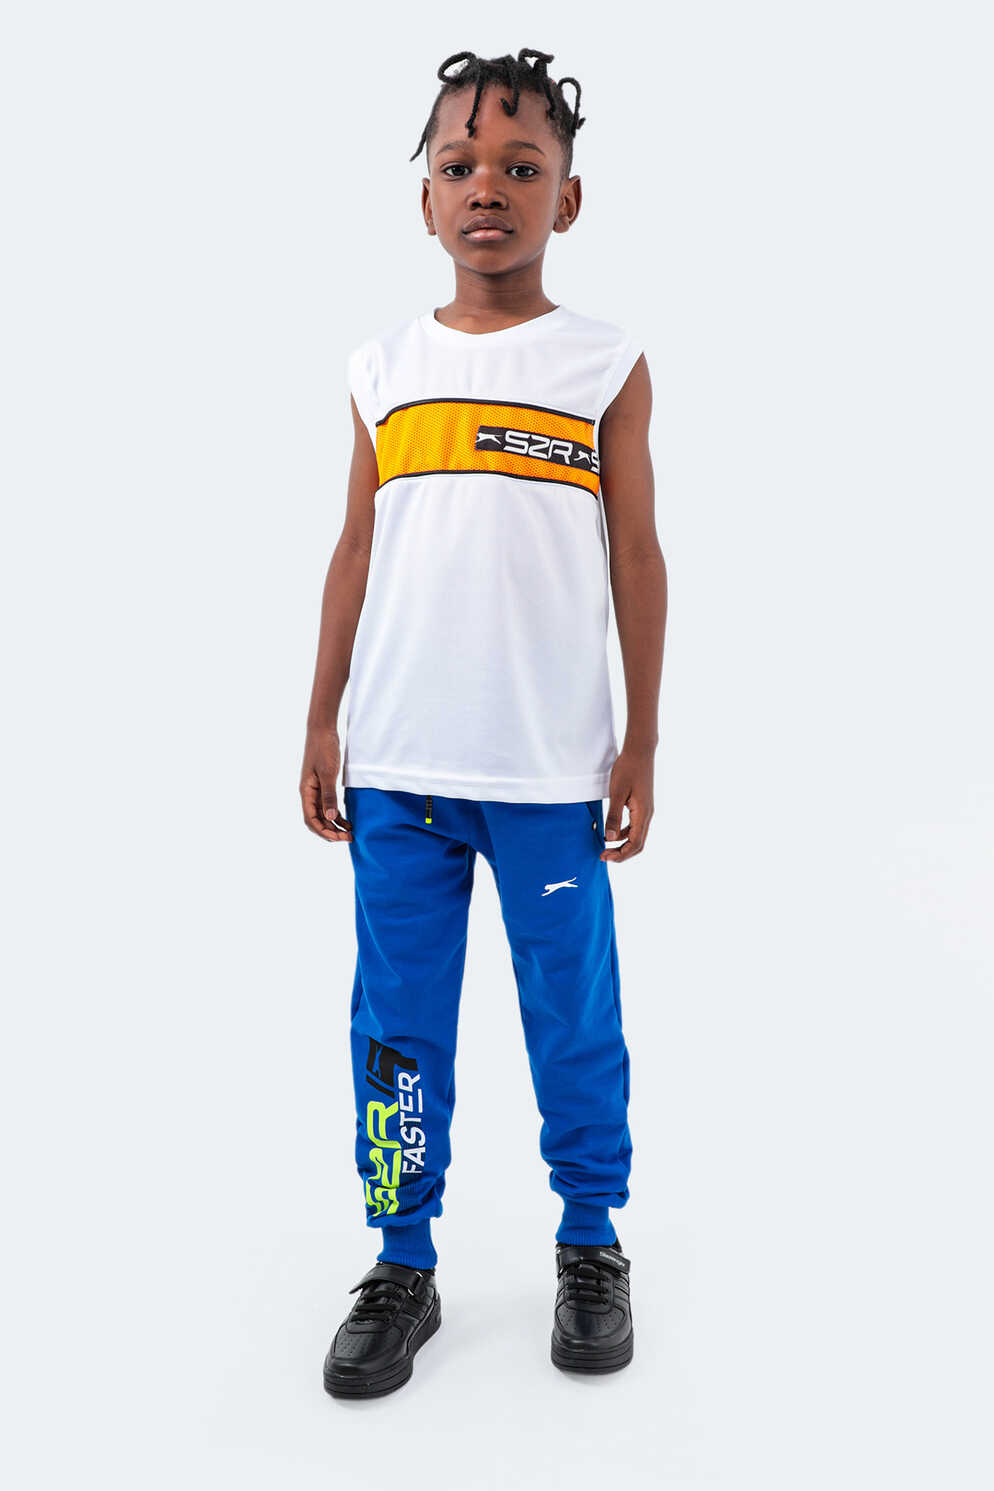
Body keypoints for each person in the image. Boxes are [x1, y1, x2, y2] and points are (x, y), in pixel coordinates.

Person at [300, 47, 666, 1398]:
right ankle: (401, 1258)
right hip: (399, 762)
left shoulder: (603, 364)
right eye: (458, 166)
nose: (487, 188)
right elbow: (354, 550)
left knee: (572, 1014)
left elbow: (637, 556)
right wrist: (321, 721)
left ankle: (589, 1239)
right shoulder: (382, 369)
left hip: (547, 769)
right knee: (397, 1021)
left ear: (567, 197)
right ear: (426, 200)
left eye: (521, 166)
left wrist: (640, 741)